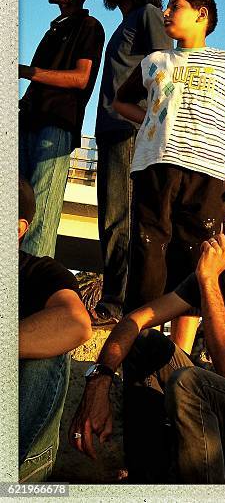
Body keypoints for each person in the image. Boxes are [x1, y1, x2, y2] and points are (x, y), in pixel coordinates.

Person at [69, 166, 225, 484]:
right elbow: (134, 321)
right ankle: (148, 475)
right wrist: (99, 381)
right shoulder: (221, 268)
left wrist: (207, 279)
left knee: (189, 381)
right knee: (144, 342)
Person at [113, 0, 225, 354]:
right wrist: (149, 121)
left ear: (202, 15)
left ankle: (180, 355)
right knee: (148, 254)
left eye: (176, 7)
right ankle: (139, 346)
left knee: (193, 257)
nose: (167, 13)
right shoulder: (155, 61)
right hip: (154, 167)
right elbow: (120, 100)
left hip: (206, 172)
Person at [91, 0, 172, 327]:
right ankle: (115, 298)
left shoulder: (148, 15)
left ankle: (115, 303)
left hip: (129, 132)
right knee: (111, 217)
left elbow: (165, 70)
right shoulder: (124, 23)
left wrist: (147, 124)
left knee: (119, 217)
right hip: (110, 131)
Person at [19, 0, 104, 258]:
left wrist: (27, 71)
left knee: (39, 214)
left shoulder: (89, 26)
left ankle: (32, 298)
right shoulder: (54, 29)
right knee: (17, 209)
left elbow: (81, 78)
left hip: (55, 126)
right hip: (28, 122)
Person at [18, 177, 92, 482]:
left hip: (24, 454)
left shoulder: (41, 272)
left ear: (17, 229)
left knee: (50, 349)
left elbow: (76, 324)